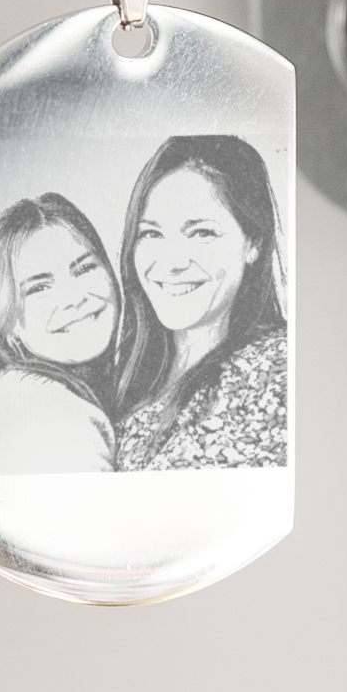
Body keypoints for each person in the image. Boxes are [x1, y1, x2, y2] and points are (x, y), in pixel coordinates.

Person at [113, 136, 288, 470]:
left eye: (201, 233)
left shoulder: (274, 369)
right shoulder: (129, 375)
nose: (173, 262)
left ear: (254, 242)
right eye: (151, 233)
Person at [0, 193, 120, 473]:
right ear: (7, 323)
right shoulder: (47, 411)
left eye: (84, 268)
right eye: (38, 288)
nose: (73, 298)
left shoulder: (14, 389)